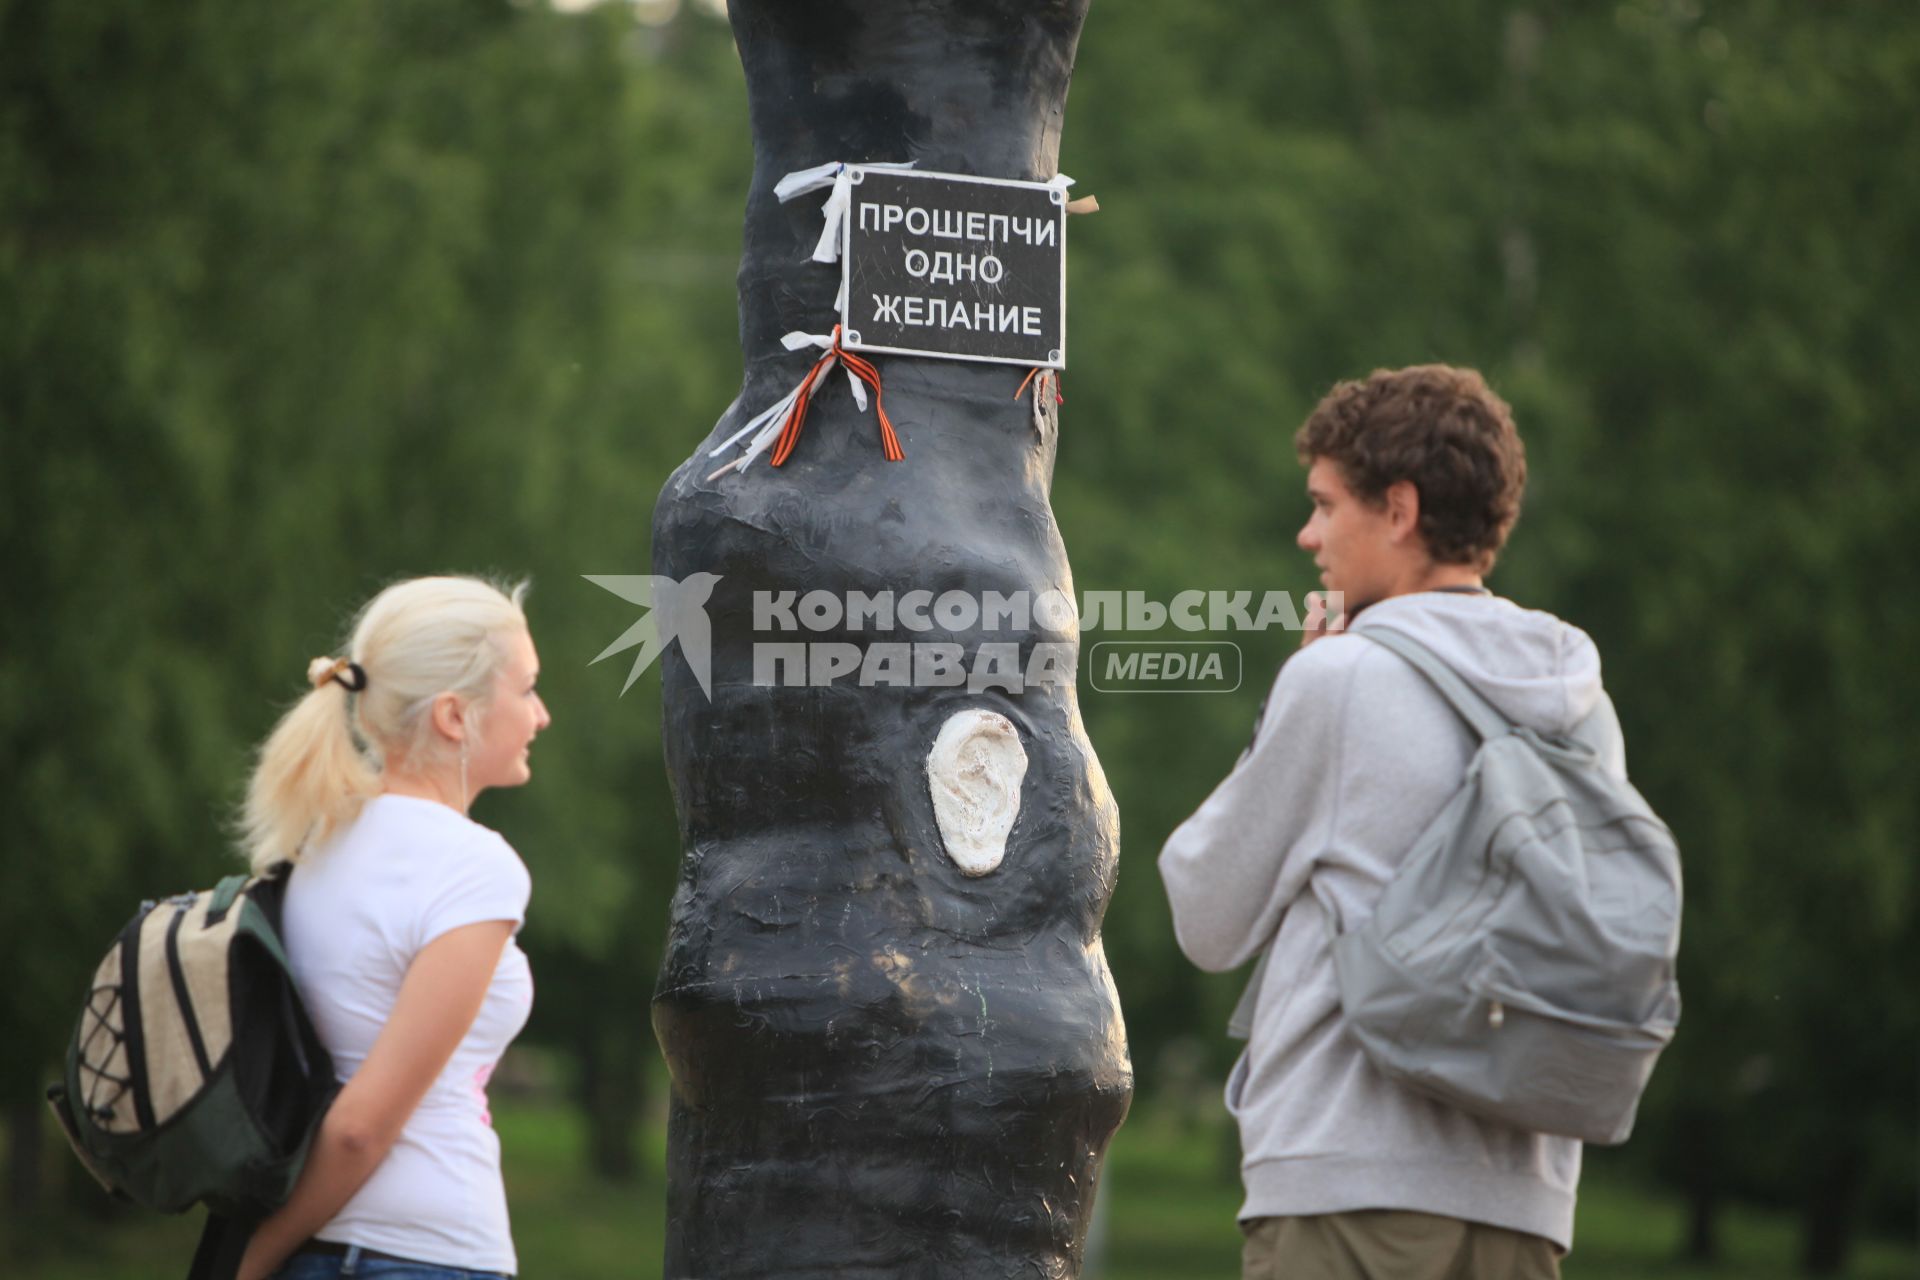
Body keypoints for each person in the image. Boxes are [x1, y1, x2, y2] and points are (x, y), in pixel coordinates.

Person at [1160, 365, 1627, 1279]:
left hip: (1346, 1191)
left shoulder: (1339, 680)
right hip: (1527, 1203)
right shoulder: (1578, 697)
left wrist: (1282, 710)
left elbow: (1206, 916)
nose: (1309, 534)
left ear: (1399, 510)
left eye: (1327, 506)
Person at [231, 576, 551, 1280]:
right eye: (525, 689)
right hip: (422, 1253)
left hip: (319, 1247)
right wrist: (249, 1263)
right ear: (453, 716)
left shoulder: (315, 842)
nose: (542, 715)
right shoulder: (474, 867)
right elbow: (357, 1128)